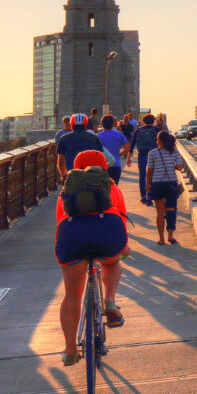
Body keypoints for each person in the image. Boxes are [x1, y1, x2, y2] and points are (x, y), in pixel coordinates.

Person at [55, 150, 129, 365]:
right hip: (105, 235)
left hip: (73, 239)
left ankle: (70, 350)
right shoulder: (112, 187)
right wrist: (124, 246)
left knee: (71, 295)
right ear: (103, 168)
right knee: (113, 261)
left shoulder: (66, 191)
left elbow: (60, 221)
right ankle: (110, 301)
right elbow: (120, 219)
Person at [146, 131, 184, 245]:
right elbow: (179, 168)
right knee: (171, 209)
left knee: (160, 212)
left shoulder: (152, 153)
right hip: (171, 183)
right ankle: (171, 235)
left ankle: (161, 238)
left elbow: (150, 171)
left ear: (160, 140)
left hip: (157, 184)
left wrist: (147, 184)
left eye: (157, 138)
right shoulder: (174, 152)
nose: (156, 140)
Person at [56, 113, 102, 178]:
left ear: (72, 126)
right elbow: (101, 158)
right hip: (91, 176)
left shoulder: (63, 139)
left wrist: (64, 175)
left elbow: (61, 161)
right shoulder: (95, 138)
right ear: (85, 126)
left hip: (72, 176)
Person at [130, 114, 161, 205]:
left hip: (142, 154)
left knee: (142, 175)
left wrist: (129, 156)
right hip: (154, 154)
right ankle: (150, 196)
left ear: (143, 121)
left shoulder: (139, 130)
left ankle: (143, 196)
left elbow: (132, 143)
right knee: (152, 175)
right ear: (153, 121)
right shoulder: (156, 130)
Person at [97, 114, 132, 184]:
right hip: (116, 165)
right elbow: (127, 148)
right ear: (113, 124)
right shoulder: (119, 135)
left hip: (103, 166)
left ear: (102, 124)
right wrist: (118, 154)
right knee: (114, 189)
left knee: (103, 190)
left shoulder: (98, 136)